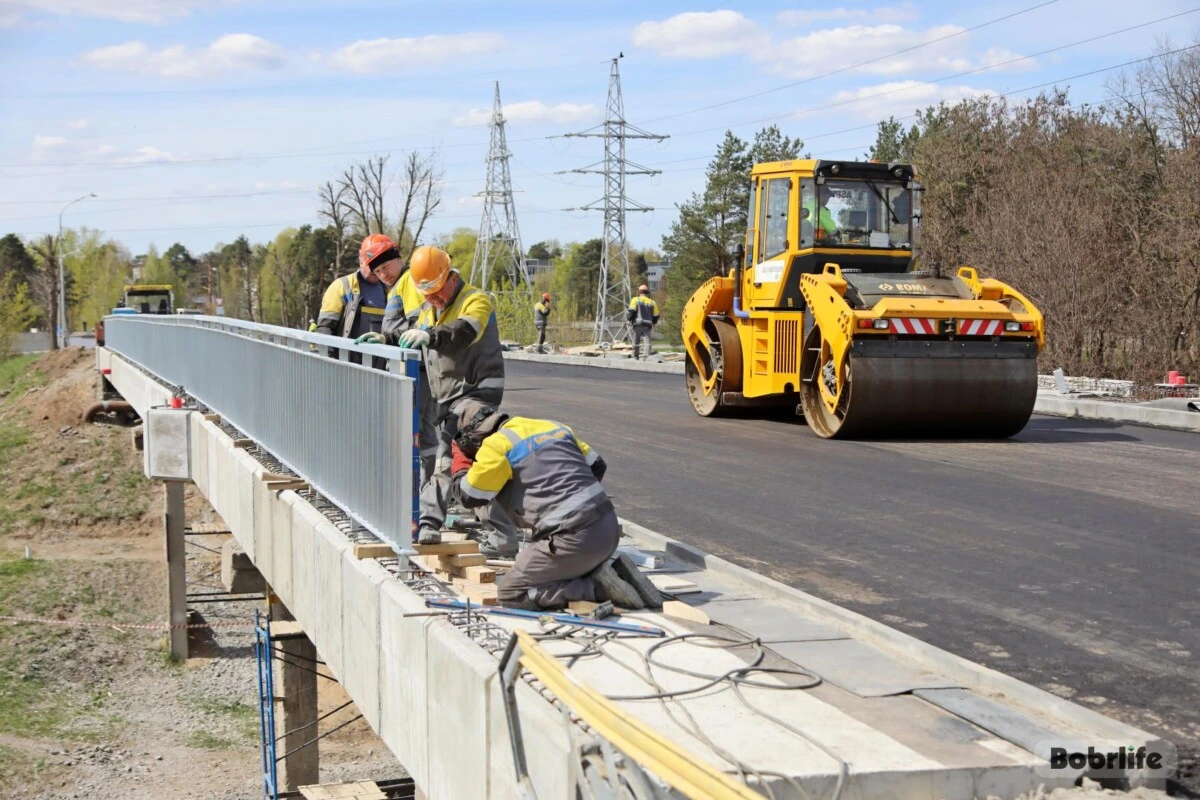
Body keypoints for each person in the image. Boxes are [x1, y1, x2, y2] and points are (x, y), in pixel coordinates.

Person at [397, 246, 516, 550]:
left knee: (447, 459)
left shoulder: (476, 300)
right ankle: (502, 533)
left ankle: (427, 523)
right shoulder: (430, 309)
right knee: (470, 463)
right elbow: (417, 333)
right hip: (449, 399)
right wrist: (385, 339)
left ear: (450, 277)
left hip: (476, 393)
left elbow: (462, 332)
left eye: (436, 292)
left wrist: (432, 336)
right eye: (427, 295)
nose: (433, 299)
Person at [448, 399, 617, 610]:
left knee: (512, 593)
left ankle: (599, 587)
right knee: (539, 564)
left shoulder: (496, 446)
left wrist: (461, 462)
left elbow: (468, 496)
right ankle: (606, 573)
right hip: (608, 529)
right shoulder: (552, 426)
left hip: (575, 542)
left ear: (472, 439)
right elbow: (597, 465)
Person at [314, 233, 404, 366]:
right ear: (361, 259)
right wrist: (331, 364)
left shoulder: (391, 292)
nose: (375, 269)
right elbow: (325, 329)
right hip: (346, 369)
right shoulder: (341, 287)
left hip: (380, 371)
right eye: (371, 262)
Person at [626, 285, 660, 360]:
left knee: (635, 341)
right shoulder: (652, 302)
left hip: (637, 323)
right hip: (647, 325)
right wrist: (654, 322)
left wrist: (629, 319)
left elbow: (632, 311)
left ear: (639, 291)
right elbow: (656, 314)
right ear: (647, 292)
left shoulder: (635, 299)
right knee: (647, 341)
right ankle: (647, 357)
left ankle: (635, 356)